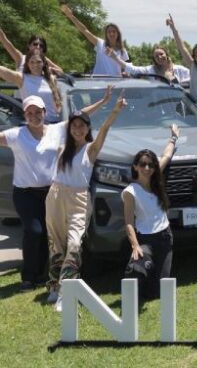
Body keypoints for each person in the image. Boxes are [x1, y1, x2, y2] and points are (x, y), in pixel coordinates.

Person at [0, 90, 114, 292]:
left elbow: (81, 116)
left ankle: (52, 279)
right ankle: (31, 277)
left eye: (38, 112)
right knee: (36, 232)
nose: (34, 116)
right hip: (26, 192)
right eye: (29, 113)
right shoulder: (16, 134)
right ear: (24, 115)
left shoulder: (57, 130)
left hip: (51, 191)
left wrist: (103, 102)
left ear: (45, 112)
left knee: (59, 238)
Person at [46, 91, 126, 311]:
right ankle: (54, 287)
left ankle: (66, 292)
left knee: (74, 244)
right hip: (55, 195)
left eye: (82, 126)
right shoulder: (62, 144)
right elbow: (70, 120)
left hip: (79, 199)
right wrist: (95, 104)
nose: (78, 129)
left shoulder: (91, 149)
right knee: (56, 243)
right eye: (74, 125)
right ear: (69, 128)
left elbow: (105, 130)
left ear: (87, 129)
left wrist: (114, 110)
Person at [122, 125, 179, 299]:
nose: (147, 168)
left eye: (150, 165)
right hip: (146, 240)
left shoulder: (156, 180)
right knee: (136, 269)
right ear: (136, 167)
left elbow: (166, 156)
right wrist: (135, 245)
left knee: (159, 291)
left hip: (165, 237)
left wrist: (173, 138)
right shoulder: (131, 191)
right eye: (143, 164)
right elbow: (129, 222)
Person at [60, 4, 128, 77]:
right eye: (109, 32)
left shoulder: (122, 51)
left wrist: (126, 73)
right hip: (98, 81)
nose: (111, 34)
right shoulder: (100, 43)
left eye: (114, 31)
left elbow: (126, 68)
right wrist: (71, 16)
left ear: (118, 34)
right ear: (106, 34)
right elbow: (84, 30)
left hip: (115, 83)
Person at [0, 49, 63, 122]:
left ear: (43, 63)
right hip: (34, 125)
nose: (35, 65)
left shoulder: (50, 78)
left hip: (54, 123)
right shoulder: (22, 78)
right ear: (27, 64)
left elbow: (58, 102)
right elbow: (3, 71)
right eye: (32, 62)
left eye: (38, 62)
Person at [106, 45, 190, 84]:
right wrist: (115, 58)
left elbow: (194, 79)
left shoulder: (180, 70)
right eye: (156, 56)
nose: (159, 57)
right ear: (154, 60)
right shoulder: (151, 70)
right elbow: (133, 69)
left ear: (167, 55)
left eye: (161, 54)